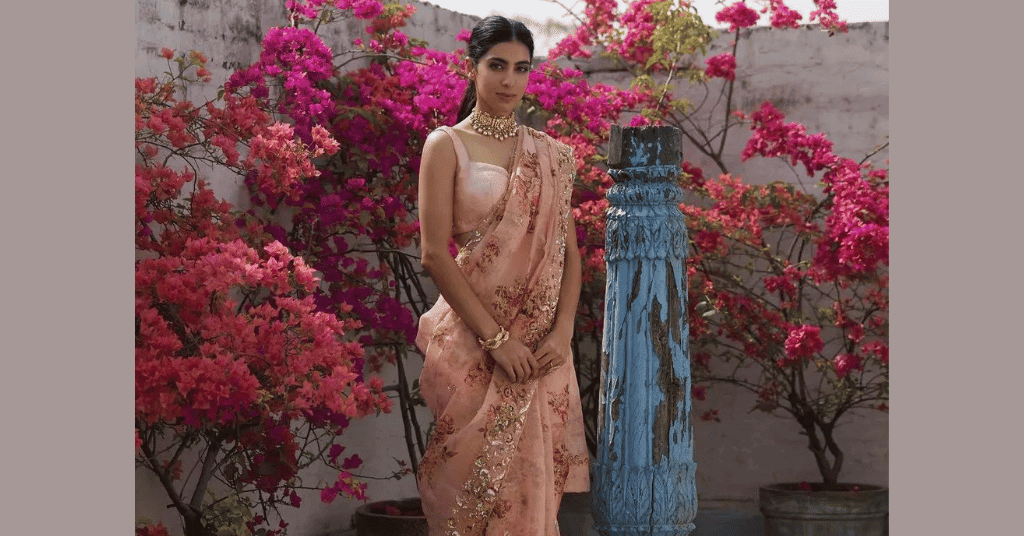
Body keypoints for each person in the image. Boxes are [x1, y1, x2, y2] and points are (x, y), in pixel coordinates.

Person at [415, 15, 590, 536]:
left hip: (539, 349)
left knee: (531, 486)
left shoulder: (553, 156)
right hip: (475, 343)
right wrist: (495, 339)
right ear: (473, 69)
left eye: (521, 68)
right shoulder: (446, 145)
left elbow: (568, 252)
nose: (510, 80)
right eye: (497, 66)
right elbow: (434, 254)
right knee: (470, 488)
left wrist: (562, 332)